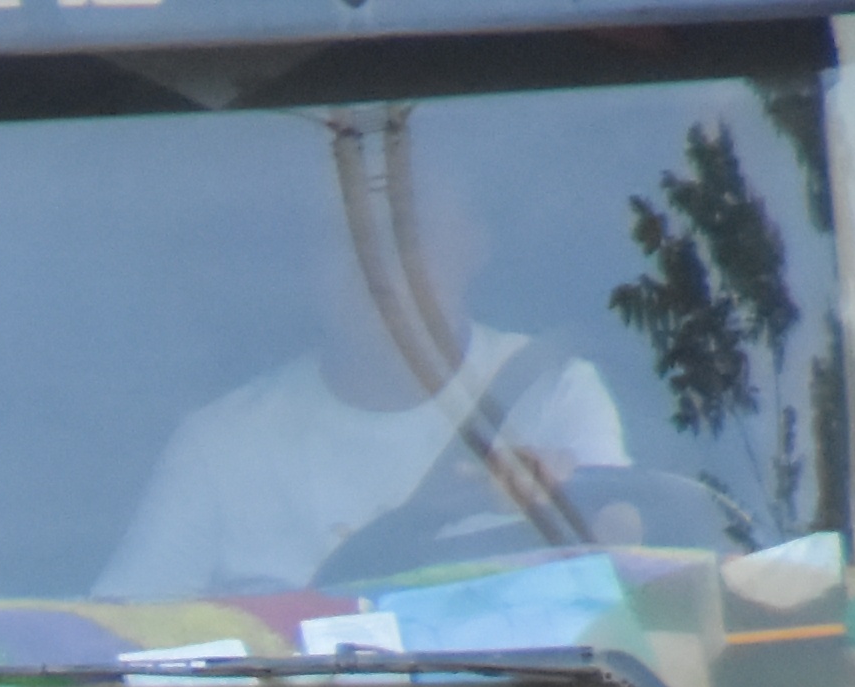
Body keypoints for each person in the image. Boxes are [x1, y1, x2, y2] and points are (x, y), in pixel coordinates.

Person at [97, 123, 626, 600]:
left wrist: (563, 509)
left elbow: (632, 592)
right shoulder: (220, 446)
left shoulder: (555, 394)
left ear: (474, 244)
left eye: (407, 234)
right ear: (308, 266)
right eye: (347, 235)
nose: (376, 268)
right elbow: (119, 646)